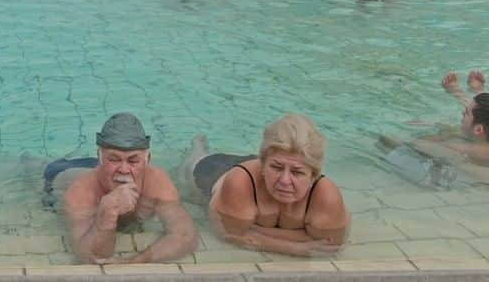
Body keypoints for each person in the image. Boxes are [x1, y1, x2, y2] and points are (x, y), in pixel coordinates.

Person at [182, 114, 349, 257]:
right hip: (215, 171)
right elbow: (228, 233)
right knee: (191, 164)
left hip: (267, 166)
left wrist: (254, 230)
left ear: (313, 176)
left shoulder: (326, 195)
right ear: (262, 164)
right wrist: (296, 247)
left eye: (297, 173)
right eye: (276, 168)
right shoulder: (239, 183)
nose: (284, 181)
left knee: (285, 161)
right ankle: (198, 146)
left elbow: (330, 244)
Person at [60, 113, 197, 264]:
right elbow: (88, 256)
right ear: (99, 157)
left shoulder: (157, 184)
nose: (124, 169)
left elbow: (186, 237)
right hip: (63, 174)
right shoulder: (80, 193)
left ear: (147, 160)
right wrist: (107, 214)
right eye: (114, 159)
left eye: (133, 161)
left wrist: (135, 261)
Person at [379, 75, 489, 187]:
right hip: (482, 144)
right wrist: (439, 125)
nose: (462, 113)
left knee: (385, 140)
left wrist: (436, 136)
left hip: (468, 176)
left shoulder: (470, 149)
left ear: (478, 129)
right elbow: (470, 128)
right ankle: (464, 92)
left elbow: (421, 145)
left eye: (466, 113)